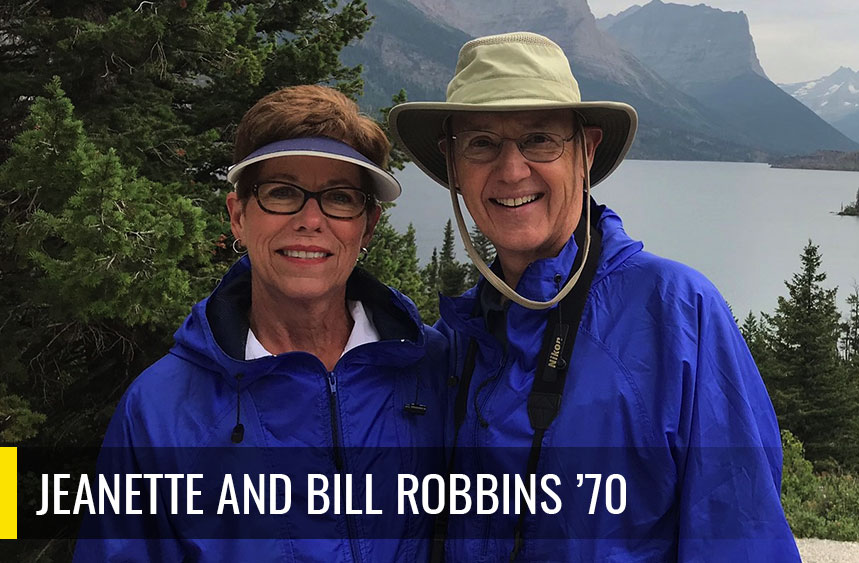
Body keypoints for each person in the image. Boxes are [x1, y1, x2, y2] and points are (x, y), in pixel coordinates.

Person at [389, 32, 800, 561]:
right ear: (453, 166)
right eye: (481, 143)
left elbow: (741, 538)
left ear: (586, 151)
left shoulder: (677, 315)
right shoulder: (455, 342)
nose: (512, 170)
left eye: (540, 139)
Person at [74, 85, 448, 562]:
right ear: (238, 216)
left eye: (339, 197)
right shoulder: (161, 409)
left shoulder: (435, 371)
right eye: (282, 193)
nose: (311, 220)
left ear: (368, 225)